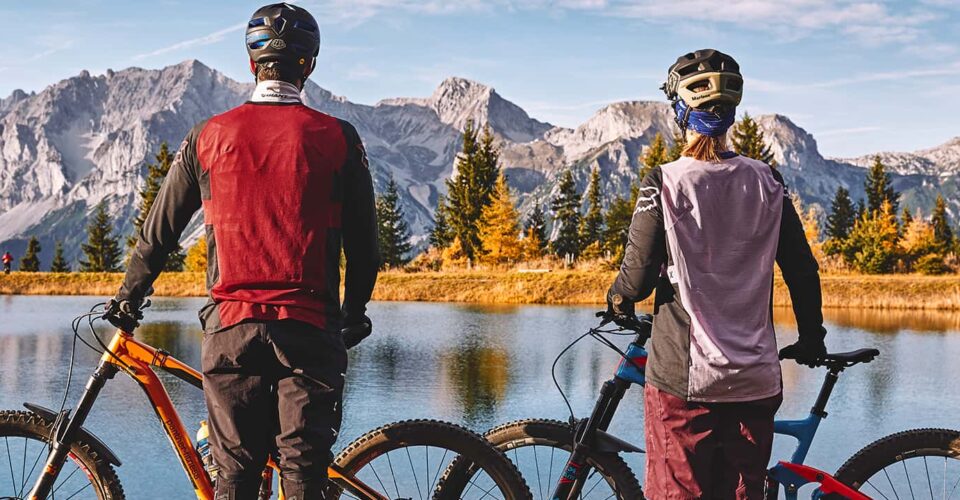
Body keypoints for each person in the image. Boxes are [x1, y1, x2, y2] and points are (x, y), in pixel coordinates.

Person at [103, 3, 380, 498]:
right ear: (310, 65)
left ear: (251, 64)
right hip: (312, 329)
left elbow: (158, 232)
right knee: (303, 473)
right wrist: (353, 311)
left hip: (231, 327)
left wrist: (129, 297)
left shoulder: (207, 137)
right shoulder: (339, 137)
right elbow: (365, 247)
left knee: (235, 476)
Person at [606, 49, 827, 499]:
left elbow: (639, 274)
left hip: (685, 386)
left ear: (680, 112)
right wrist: (811, 336)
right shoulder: (769, 181)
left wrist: (618, 298)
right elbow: (802, 270)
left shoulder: (665, 181)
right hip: (756, 381)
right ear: (730, 115)